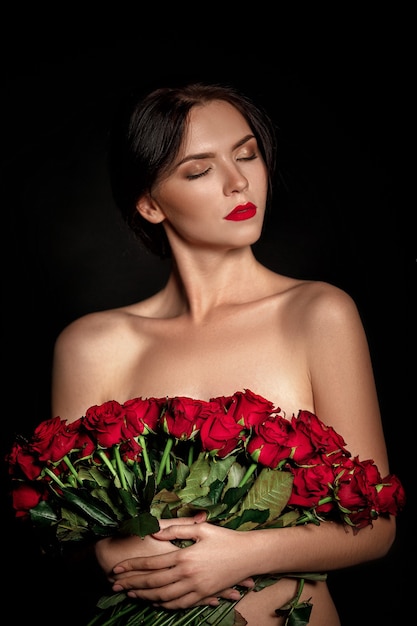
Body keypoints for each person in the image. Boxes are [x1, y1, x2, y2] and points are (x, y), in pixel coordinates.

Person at [50, 82, 397, 626]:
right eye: (199, 170)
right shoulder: (91, 345)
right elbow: (62, 530)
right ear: (149, 202)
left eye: (247, 154)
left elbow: (376, 526)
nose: (239, 182)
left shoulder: (317, 313)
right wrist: (99, 552)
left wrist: (241, 556)